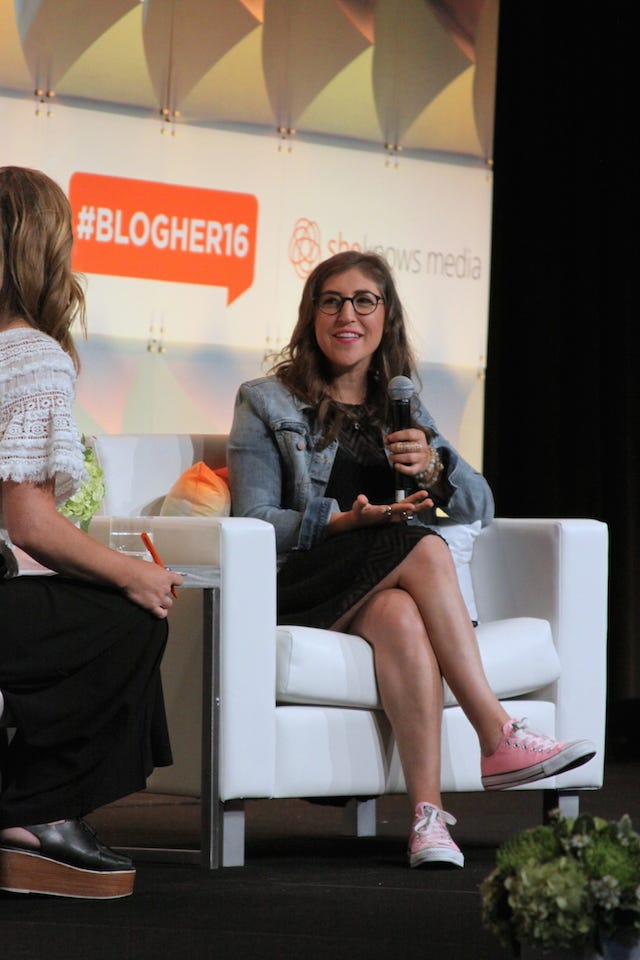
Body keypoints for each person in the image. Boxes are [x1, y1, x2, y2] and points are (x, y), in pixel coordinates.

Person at [227, 249, 596, 869]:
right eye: (332, 301)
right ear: (312, 315)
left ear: (385, 315)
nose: (348, 314)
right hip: (301, 582)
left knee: (400, 614)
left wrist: (432, 465)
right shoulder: (266, 401)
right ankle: (497, 734)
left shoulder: (400, 406)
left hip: (376, 587)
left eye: (364, 301)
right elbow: (254, 522)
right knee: (418, 542)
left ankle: (427, 818)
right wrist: (344, 521)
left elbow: (480, 503)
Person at [0, 166, 183, 899]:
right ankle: (37, 811)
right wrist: (130, 571)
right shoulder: (32, 354)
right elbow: (29, 521)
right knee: (130, 617)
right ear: (48, 247)